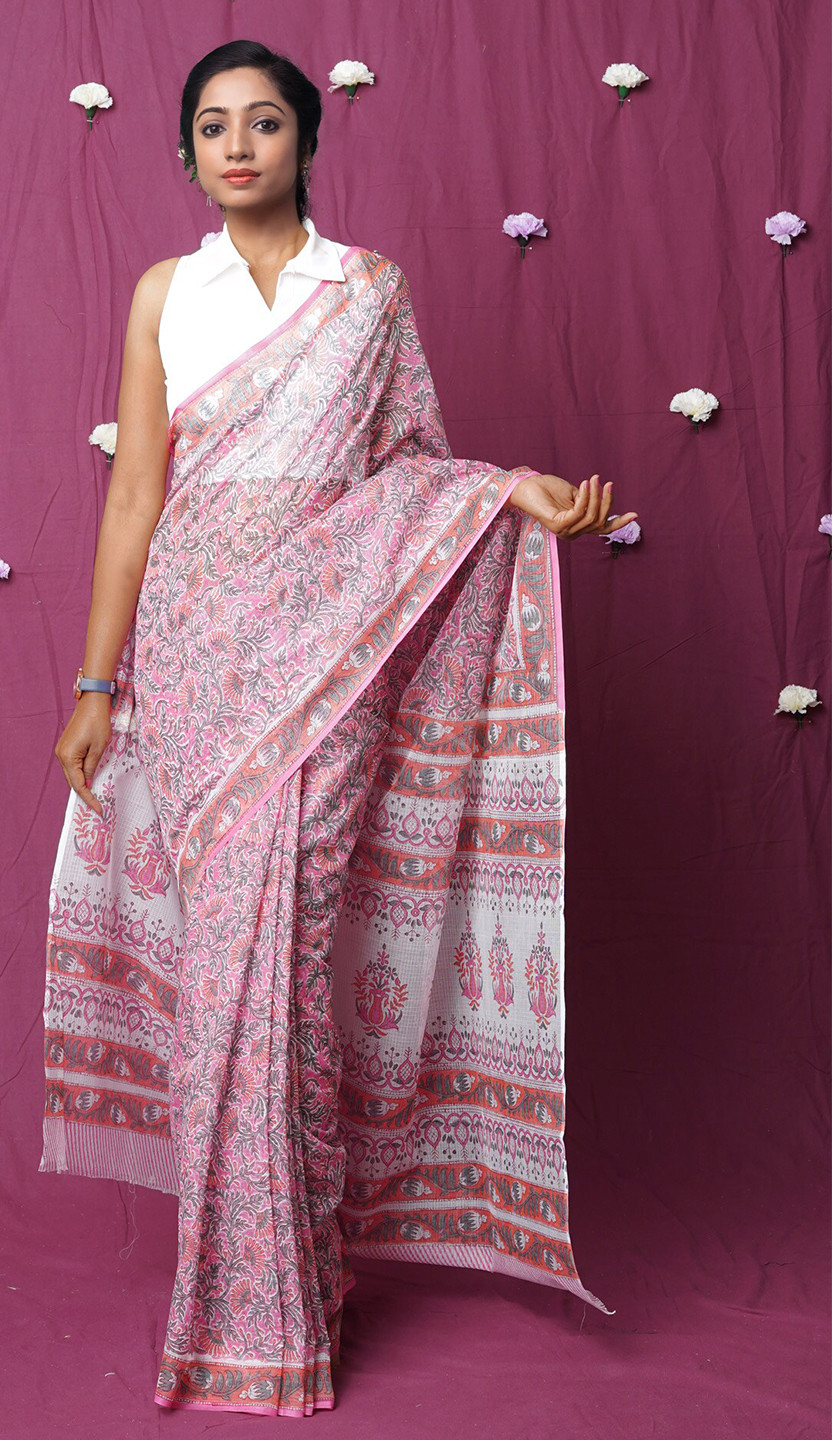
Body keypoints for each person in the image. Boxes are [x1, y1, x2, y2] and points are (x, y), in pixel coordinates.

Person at [41, 39, 633, 1418]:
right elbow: (135, 497)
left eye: (264, 122)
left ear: (307, 142)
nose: (238, 145)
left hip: (327, 654)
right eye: (212, 127)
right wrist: (96, 684)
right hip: (196, 656)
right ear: (186, 153)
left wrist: (504, 494)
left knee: (291, 955)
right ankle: (242, 1296)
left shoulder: (364, 292)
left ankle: (284, 1295)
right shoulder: (165, 294)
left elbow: (406, 471)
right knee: (223, 966)